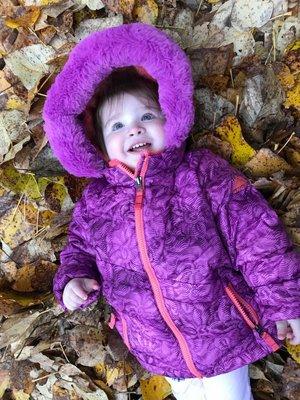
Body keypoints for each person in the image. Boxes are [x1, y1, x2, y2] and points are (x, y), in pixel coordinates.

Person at [43, 23, 300, 400]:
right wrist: (71, 280)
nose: (134, 130)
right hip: (154, 344)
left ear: (172, 117)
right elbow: (78, 250)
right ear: (99, 145)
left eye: (148, 116)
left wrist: (286, 303)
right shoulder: (95, 203)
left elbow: (256, 239)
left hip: (221, 329)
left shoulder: (201, 173)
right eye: (117, 125)